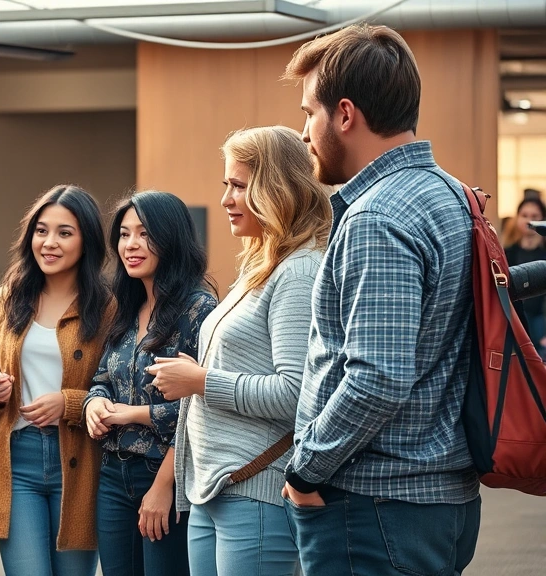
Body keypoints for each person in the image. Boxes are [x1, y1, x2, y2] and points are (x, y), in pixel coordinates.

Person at [280, 23, 482, 575]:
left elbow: (378, 374)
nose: (302, 132)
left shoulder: (377, 217)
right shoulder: (453, 195)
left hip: (374, 506)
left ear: (344, 115)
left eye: (308, 113)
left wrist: (304, 472)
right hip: (435, 499)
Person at [150, 126, 330, 576]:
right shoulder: (260, 265)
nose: (226, 198)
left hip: (257, 490)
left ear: (276, 190)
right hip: (216, 490)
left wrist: (201, 381)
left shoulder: (299, 270)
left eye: (239, 186)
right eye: (225, 184)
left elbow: (296, 394)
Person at [0, 185, 112, 576]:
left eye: (65, 233)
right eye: (41, 230)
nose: (49, 243)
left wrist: (68, 403)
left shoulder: (108, 307)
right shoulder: (8, 298)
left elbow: (118, 389)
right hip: (16, 460)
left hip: (81, 461)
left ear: (87, 241)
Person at [84, 191, 216, 576]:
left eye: (144, 233)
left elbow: (199, 407)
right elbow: (103, 378)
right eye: (124, 235)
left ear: (171, 237)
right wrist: (94, 404)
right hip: (112, 475)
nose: (131, 245)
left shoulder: (199, 309)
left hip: (164, 474)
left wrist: (164, 486)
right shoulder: (124, 307)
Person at [504, 197, 546, 353]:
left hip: (541, 321)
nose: (529, 220)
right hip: (515, 320)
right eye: (525, 215)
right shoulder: (506, 252)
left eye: (535, 216)